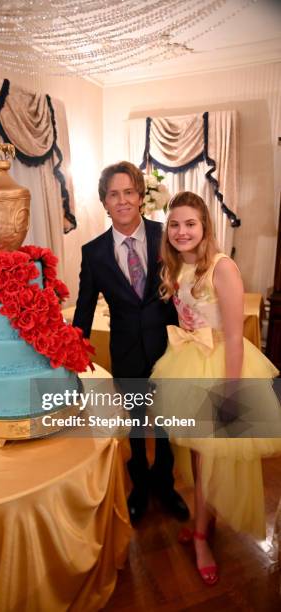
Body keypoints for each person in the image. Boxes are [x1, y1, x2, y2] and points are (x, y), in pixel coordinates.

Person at [151, 190, 281, 585]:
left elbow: (237, 337)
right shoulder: (176, 268)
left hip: (221, 366)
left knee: (209, 458)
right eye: (174, 224)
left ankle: (203, 539)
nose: (181, 231)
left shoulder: (222, 268)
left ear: (205, 226)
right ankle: (202, 518)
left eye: (190, 223)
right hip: (187, 365)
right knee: (196, 452)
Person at [73, 161, 189, 524]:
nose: (122, 200)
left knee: (168, 423)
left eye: (128, 192)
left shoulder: (165, 235)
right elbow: (85, 305)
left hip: (168, 347)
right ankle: (139, 486)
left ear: (140, 197)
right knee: (137, 425)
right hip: (125, 351)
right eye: (113, 194)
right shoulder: (93, 253)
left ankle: (165, 486)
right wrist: (72, 352)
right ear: (104, 203)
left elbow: (188, 287)